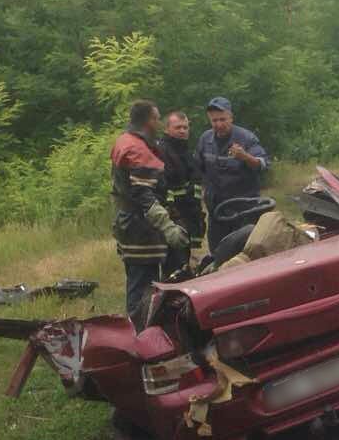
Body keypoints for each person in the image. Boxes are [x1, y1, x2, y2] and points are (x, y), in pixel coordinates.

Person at [110, 100, 190, 330]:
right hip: (140, 229)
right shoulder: (137, 150)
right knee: (142, 283)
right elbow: (143, 195)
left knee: (140, 280)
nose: (159, 122)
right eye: (157, 118)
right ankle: (138, 335)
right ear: (149, 121)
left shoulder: (125, 141)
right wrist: (168, 227)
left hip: (128, 224)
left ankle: (144, 328)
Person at [195, 96, 270, 251]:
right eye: (214, 121)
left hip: (244, 212)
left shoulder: (246, 138)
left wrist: (245, 157)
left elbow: (263, 165)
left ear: (231, 117)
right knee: (218, 254)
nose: (219, 124)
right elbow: (198, 169)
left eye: (223, 119)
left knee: (245, 254)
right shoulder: (205, 139)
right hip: (217, 212)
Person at [157, 110, 205, 263]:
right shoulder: (162, 151)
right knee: (173, 264)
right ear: (166, 129)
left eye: (185, 127)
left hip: (188, 215)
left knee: (183, 261)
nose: (183, 131)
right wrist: (173, 216)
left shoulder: (184, 150)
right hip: (173, 217)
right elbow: (164, 186)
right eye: (178, 127)